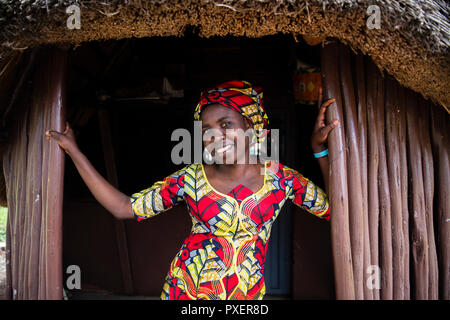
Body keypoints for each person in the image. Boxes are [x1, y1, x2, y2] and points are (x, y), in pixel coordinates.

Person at [46, 80, 338, 300]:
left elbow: (334, 212)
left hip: (247, 296)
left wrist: (318, 150)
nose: (215, 135)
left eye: (226, 124)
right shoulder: (189, 179)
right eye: (206, 129)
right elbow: (124, 207)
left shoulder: (281, 179)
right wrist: (74, 151)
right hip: (186, 290)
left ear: (251, 126)